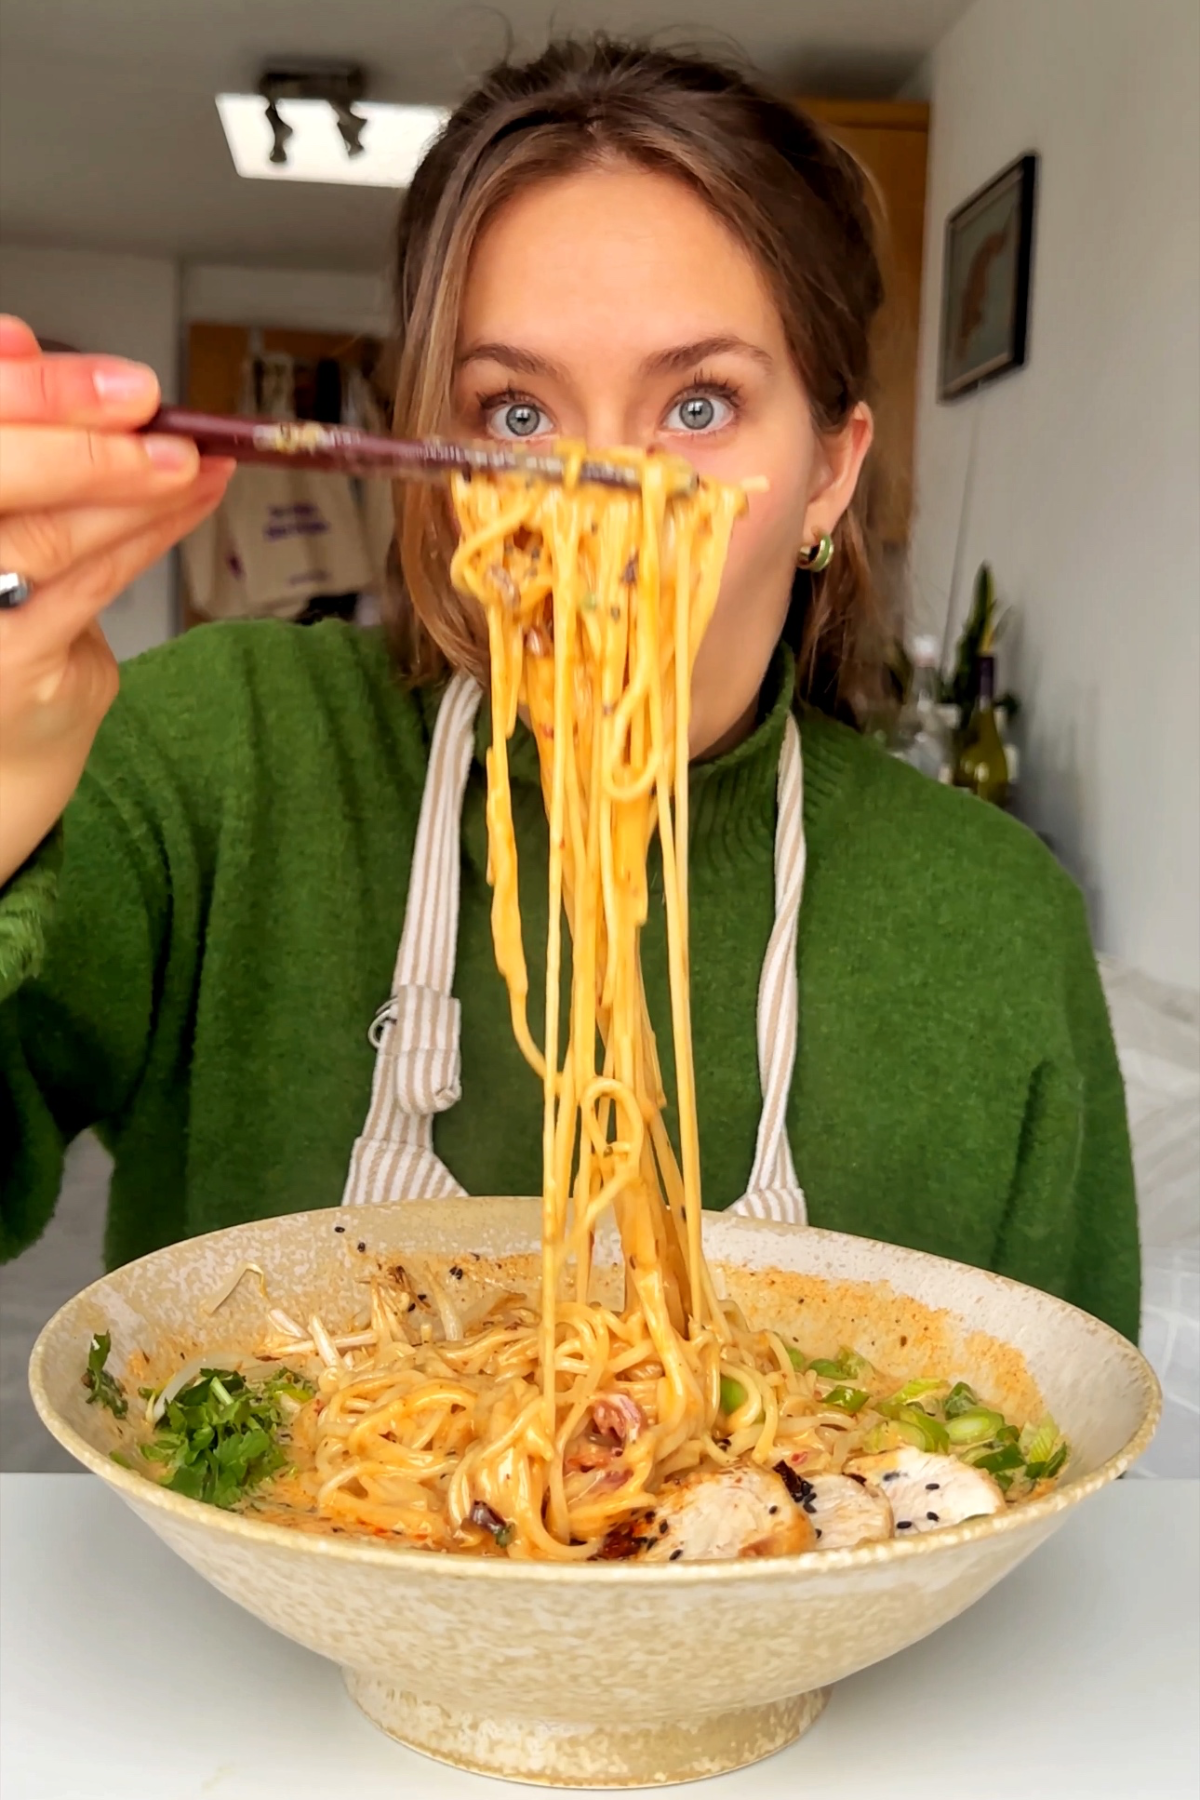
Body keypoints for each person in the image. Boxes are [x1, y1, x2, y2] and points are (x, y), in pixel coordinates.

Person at [0, 39, 1138, 1338]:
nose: (596, 501)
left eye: (699, 405)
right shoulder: (224, 757)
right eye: (517, 414)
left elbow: (1056, 1425)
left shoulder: (997, 928)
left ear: (830, 471)